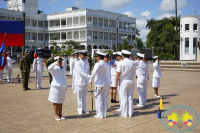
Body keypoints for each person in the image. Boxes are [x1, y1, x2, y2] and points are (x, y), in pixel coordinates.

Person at [115, 50, 139, 117]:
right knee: (130, 97)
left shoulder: (121, 63)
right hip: (131, 81)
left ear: (122, 56)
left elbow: (118, 73)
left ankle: (124, 114)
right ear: (129, 56)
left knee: (124, 98)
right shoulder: (133, 62)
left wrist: (116, 81)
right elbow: (138, 62)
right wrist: (132, 57)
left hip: (123, 81)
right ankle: (130, 113)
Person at [89, 52, 111, 119]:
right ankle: (104, 114)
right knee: (104, 99)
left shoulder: (98, 64)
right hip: (106, 83)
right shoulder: (107, 64)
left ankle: (100, 114)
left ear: (98, 57)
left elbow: (93, 73)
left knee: (99, 99)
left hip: (99, 84)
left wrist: (90, 81)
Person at [48, 57, 67, 121]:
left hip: (62, 86)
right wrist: (55, 62)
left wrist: (66, 86)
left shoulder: (63, 68)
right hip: (56, 87)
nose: (60, 63)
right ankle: (56, 114)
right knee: (55, 101)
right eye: (59, 61)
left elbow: (65, 78)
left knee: (60, 101)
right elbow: (48, 68)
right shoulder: (53, 68)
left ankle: (60, 114)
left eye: (61, 61)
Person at [74, 50, 91, 115]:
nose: (84, 57)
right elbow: (80, 72)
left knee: (84, 96)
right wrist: (89, 76)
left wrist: (89, 78)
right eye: (83, 55)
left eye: (85, 56)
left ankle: (84, 108)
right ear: (80, 55)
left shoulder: (86, 61)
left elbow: (88, 70)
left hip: (85, 81)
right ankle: (80, 109)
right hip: (79, 81)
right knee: (79, 96)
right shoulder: (77, 62)